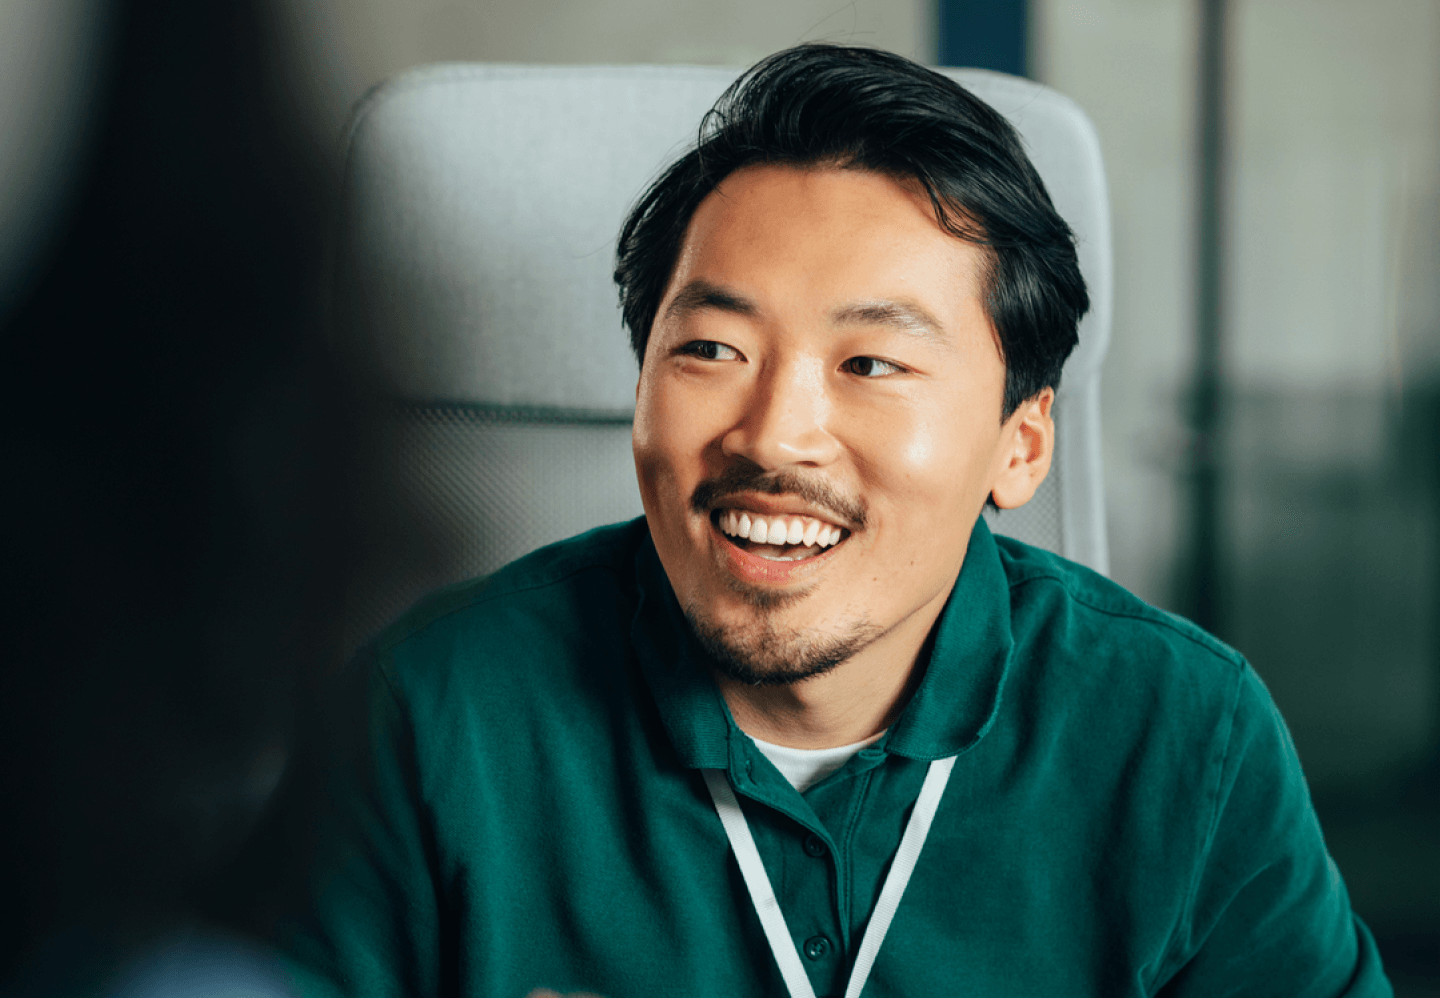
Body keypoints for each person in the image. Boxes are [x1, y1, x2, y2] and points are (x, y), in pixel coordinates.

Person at [271, 45, 1390, 997]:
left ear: (1023, 443)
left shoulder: (1185, 736)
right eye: (711, 349)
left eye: (871, 362)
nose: (774, 436)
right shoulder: (426, 718)